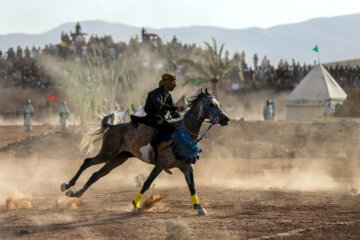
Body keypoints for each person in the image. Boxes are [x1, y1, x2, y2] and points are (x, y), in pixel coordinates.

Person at [138, 73, 186, 162]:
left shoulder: (168, 95)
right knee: (170, 127)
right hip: (152, 117)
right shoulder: (156, 93)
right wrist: (176, 108)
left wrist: (181, 119)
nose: (175, 84)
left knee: (177, 126)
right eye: (173, 82)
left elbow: (173, 112)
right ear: (167, 82)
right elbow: (160, 106)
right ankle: (147, 147)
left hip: (160, 118)